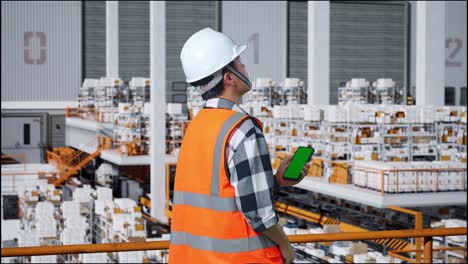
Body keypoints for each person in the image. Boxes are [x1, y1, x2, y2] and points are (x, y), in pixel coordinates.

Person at [168, 28, 310, 264]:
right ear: (229, 78)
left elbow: (221, 194)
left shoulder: (196, 125)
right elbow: (258, 213)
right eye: (240, 63)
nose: (245, 68)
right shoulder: (242, 128)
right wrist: (285, 245)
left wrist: (276, 181)